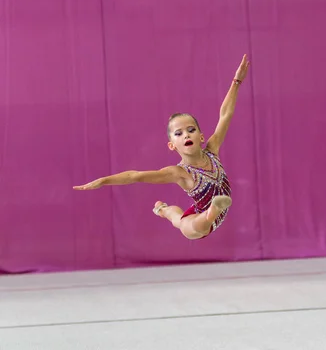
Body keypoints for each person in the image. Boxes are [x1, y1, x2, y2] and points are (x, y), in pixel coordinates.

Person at [74, 55, 250, 240]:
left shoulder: (212, 150)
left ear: (201, 136)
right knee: (188, 225)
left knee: (174, 215)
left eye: (191, 130)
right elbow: (135, 176)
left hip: (201, 212)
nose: (186, 135)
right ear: (171, 145)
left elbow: (225, 115)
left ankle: (163, 209)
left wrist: (237, 81)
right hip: (197, 221)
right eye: (179, 133)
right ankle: (208, 210)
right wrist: (103, 180)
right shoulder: (179, 173)